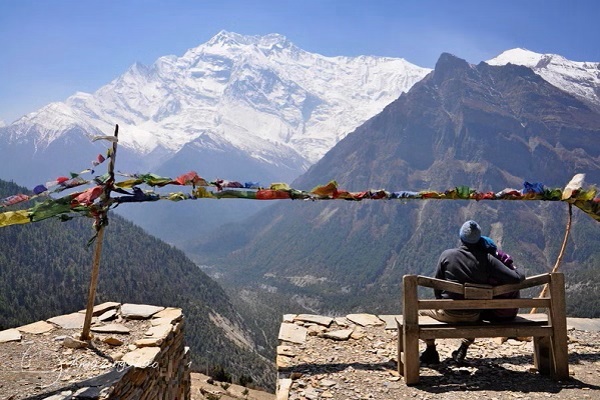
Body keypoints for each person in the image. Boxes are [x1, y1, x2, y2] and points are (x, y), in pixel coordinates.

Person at [419, 220, 525, 365]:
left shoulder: (447, 255)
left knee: (421, 312)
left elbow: (437, 284)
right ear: (479, 239)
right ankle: (464, 345)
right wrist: (519, 268)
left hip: (448, 313)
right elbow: (517, 278)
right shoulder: (488, 260)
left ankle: (431, 349)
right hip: (474, 315)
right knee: (474, 311)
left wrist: (440, 302)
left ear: (461, 238)